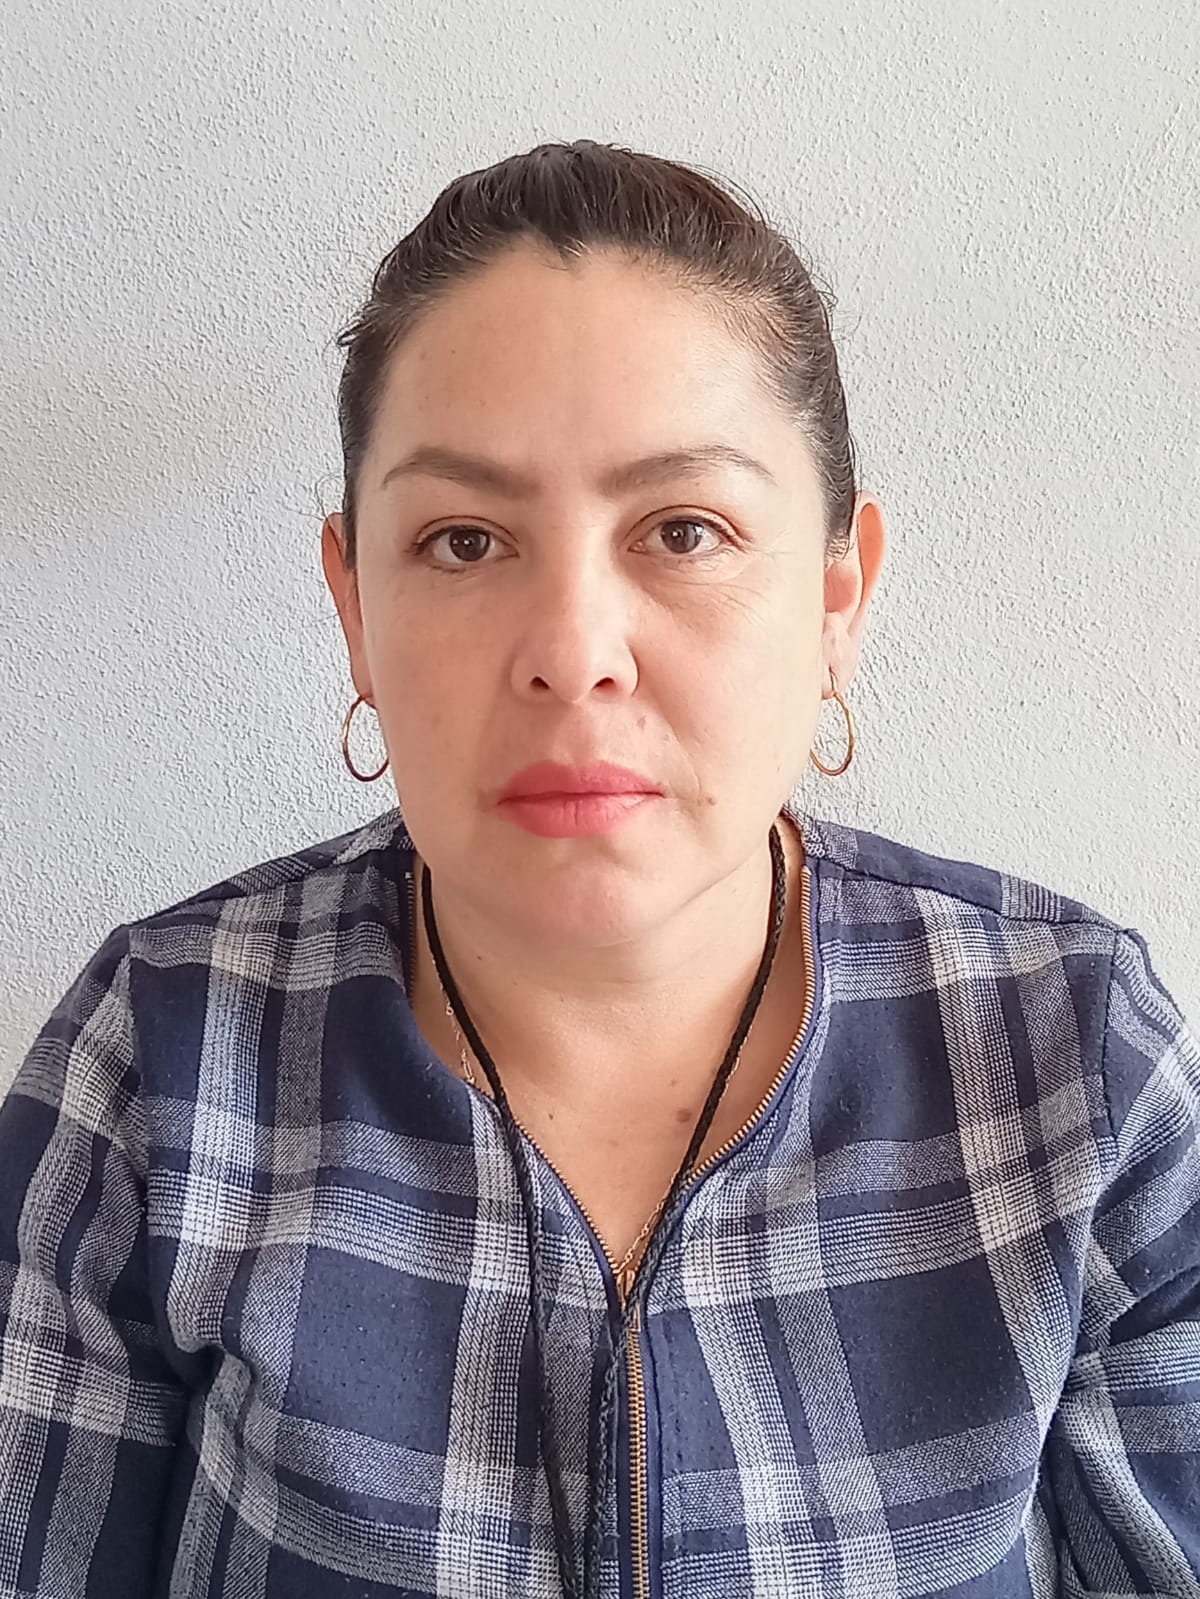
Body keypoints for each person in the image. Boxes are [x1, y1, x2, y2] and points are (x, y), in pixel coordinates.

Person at [1, 139, 1197, 1599]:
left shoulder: (1075, 1062)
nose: (574, 653)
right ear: (355, 607)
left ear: (837, 599)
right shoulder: (164, 1059)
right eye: (463, 541)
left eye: (685, 531)